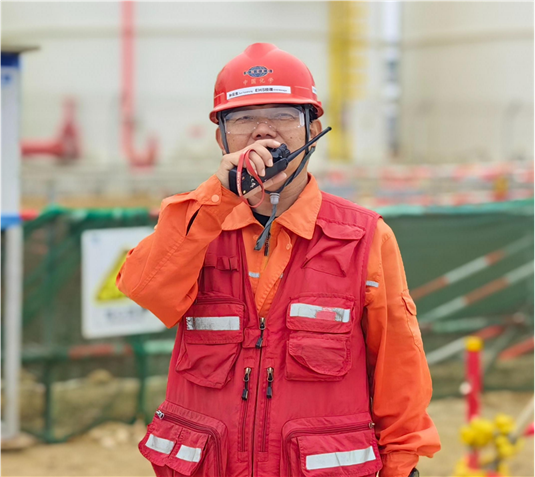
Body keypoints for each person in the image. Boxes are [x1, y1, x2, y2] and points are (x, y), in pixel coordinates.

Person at [117, 43, 440, 477]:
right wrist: (217, 197)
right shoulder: (195, 226)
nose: (263, 132)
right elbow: (146, 290)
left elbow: (398, 365)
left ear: (313, 129)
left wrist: (401, 464)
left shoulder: (364, 237)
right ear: (221, 138)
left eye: (283, 116)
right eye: (242, 119)